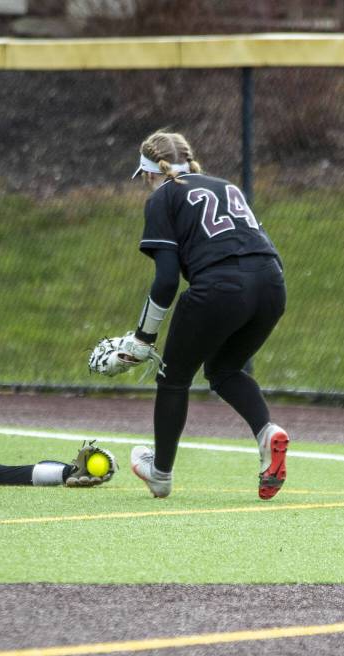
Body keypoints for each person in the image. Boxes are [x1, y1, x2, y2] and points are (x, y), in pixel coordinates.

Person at [113, 130, 289, 500]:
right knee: (225, 370)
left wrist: (143, 339)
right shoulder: (226, 185)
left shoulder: (163, 195)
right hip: (272, 284)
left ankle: (159, 473)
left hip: (221, 286)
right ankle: (267, 433)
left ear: (148, 171)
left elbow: (165, 282)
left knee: (174, 378)